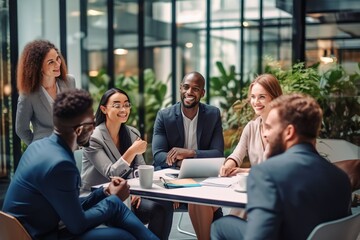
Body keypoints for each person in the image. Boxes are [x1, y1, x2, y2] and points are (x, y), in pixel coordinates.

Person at [3, 89, 158, 240]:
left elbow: (70, 204)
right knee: (123, 235)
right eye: (92, 124)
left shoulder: (38, 146)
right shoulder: (61, 165)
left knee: (114, 205)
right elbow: (77, 225)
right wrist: (111, 202)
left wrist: (104, 192)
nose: (95, 128)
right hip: (36, 234)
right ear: (79, 130)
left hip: (32, 225)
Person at [211, 93, 352, 240]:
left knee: (220, 225)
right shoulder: (341, 177)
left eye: (269, 127)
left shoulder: (266, 174)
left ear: (289, 132)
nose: (264, 134)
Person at [81, 87, 174, 240]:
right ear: (104, 109)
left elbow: (139, 168)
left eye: (126, 104)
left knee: (162, 208)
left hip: (129, 195)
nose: (123, 109)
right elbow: (111, 173)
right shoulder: (93, 138)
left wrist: (135, 191)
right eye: (117, 105)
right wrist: (131, 151)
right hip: (99, 199)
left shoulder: (132, 133)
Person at [152, 71, 224, 240]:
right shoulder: (165, 116)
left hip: (204, 177)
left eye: (195, 88)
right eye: (186, 87)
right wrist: (181, 169)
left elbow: (218, 153)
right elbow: (158, 155)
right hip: (174, 177)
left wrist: (190, 153)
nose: (189, 92)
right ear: (180, 88)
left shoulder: (212, 114)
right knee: (205, 200)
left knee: (205, 199)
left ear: (202, 93)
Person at [220, 74, 283, 177]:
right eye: (253, 97)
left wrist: (244, 171)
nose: (256, 102)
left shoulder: (286, 129)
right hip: (257, 186)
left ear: (275, 98)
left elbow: (281, 168)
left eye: (262, 97)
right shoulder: (251, 127)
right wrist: (227, 166)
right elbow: (237, 155)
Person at [16, 39, 76, 145]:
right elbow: (21, 129)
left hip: (71, 147)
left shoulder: (69, 82)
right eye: (51, 62)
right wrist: (38, 147)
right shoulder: (28, 94)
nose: (58, 64)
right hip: (46, 151)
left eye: (58, 58)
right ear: (38, 67)